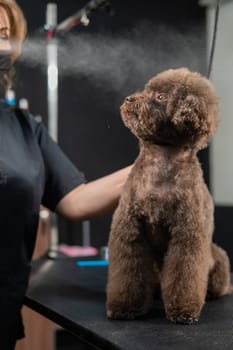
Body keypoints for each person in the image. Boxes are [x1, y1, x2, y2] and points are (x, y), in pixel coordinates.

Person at [0, 1, 132, 348]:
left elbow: (75, 199)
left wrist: (154, 167)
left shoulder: (22, 126)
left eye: (3, 35)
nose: (2, 45)